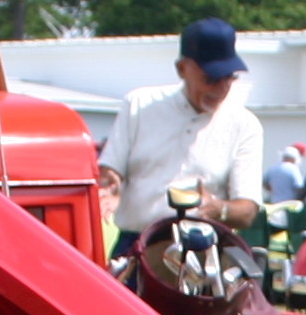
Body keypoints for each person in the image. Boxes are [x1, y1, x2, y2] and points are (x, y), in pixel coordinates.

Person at [99, 18, 264, 233]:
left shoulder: (245, 125)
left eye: (229, 78)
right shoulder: (138, 105)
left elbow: (247, 210)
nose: (222, 88)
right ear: (181, 69)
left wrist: (220, 209)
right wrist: (109, 186)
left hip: (205, 247)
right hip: (137, 242)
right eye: (211, 78)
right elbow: (109, 170)